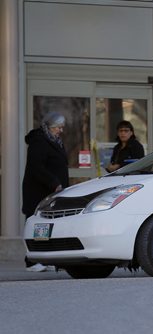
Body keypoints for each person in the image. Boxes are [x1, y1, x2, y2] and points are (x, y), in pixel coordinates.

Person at [22, 111, 69, 272]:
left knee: (49, 226)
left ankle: (47, 258)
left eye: (62, 127)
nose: (61, 130)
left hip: (52, 193)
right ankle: (32, 260)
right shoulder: (39, 141)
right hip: (38, 192)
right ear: (48, 127)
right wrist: (54, 182)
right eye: (58, 127)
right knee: (38, 225)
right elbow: (37, 167)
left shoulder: (55, 140)